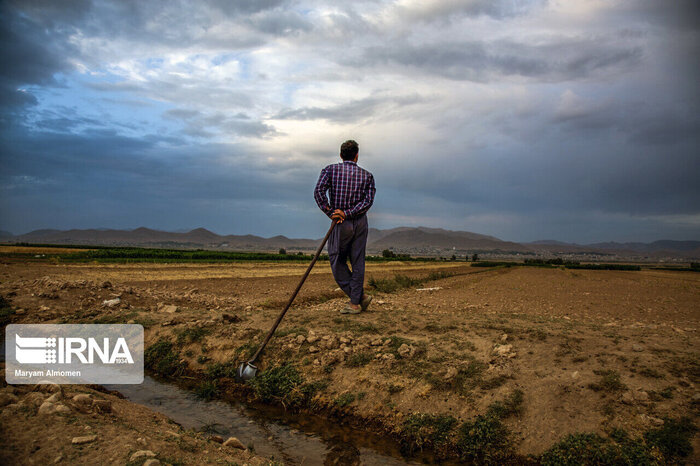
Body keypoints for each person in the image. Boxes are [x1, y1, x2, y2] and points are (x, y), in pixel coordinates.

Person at [314, 140, 376, 314]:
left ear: (341, 155)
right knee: (358, 261)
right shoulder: (367, 176)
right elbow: (368, 202)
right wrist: (348, 212)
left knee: (336, 258)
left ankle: (356, 301)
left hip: (340, 223)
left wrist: (332, 212)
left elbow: (318, 191)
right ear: (357, 156)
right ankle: (358, 300)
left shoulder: (330, 170)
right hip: (360, 222)